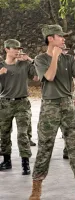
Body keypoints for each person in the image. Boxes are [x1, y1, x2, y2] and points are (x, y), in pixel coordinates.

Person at [29, 25, 75, 200]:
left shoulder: (69, 59)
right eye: (60, 36)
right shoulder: (40, 59)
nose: (64, 39)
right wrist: (54, 57)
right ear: (50, 39)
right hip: (50, 106)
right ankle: (36, 187)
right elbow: (49, 77)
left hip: (67, 105)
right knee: (45, 148)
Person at [0, 39, 38, 175]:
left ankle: (25, 164)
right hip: (5, 103)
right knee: (3, 133)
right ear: (6, 50)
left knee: (23, 134)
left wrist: (31, 60)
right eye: (15, 48)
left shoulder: (24, 64)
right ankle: (6, 161)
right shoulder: (0, 66)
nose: (18, 51)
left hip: (22, 103)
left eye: (19, 48)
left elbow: (37, 77)